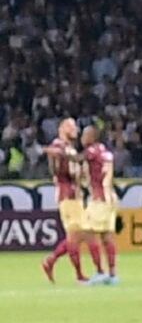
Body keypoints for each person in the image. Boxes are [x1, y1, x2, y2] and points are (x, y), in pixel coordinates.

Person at [40, 118, 90, 284]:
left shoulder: (70, 148)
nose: (76, 129)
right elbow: (53, 152)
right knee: (76, 234)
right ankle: (77, 274)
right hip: (67, 195)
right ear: (62, 129)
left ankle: (52, 262)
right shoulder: (59, 144)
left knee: (77, 235)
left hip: (74, 194)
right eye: (71, 126)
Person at [78, 124, 120, 285]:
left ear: (92, 137)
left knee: (88, 232)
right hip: (110, 198)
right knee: (106, 236)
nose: (82, 138)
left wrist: (60, 152)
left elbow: (77, 159)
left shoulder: (91, 151)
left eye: (85, 134)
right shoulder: (105, 152)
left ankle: (100, 272)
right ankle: (113, 274)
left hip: (99, 199)